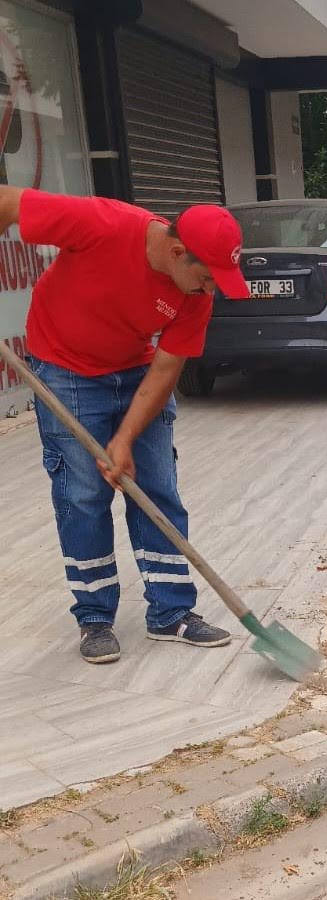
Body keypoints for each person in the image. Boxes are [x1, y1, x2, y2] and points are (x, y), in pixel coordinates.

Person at [0, 186, 250, 664]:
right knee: (84, 496)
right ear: (178, 252)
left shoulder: (195, 293)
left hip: (136, 367)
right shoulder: (102, 223)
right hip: (66, 369)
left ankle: (172, 613)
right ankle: (94, 617)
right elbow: (8, 202)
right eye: (206, 276)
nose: (210, 288)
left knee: (156, 487)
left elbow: (165, 369)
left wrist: (125, 439)